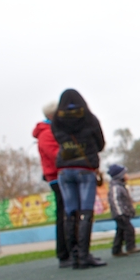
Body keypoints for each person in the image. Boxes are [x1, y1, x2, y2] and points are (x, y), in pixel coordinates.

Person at [51, 89, 107, 269]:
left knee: (70, 212)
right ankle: (84, 255)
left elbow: (57, 139)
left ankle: (74, 256)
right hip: (85, 168)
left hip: (64, 170)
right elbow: (100, 144)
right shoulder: (89, 119)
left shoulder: (57, 121)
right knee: (85, 212)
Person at [33, 101, 72, 268]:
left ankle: (71, 250)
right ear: (51, 115)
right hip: (57, 177)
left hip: (63, 174)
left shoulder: (54, 130)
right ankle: (64, 253)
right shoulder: (47, 133)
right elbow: (56, 155)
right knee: (64, 214)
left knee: (69, 213)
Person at [106, 164, 140, 258]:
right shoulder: (116, 187)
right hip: (120, 213)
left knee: (120, 231)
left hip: (124, 212)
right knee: (129, 229)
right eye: (125, 173)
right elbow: (115, 200)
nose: (127, 175)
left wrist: (130, 211)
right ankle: (130, 247)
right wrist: (120, 213)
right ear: (120, 175)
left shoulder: (121, 186)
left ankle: (116, 250)